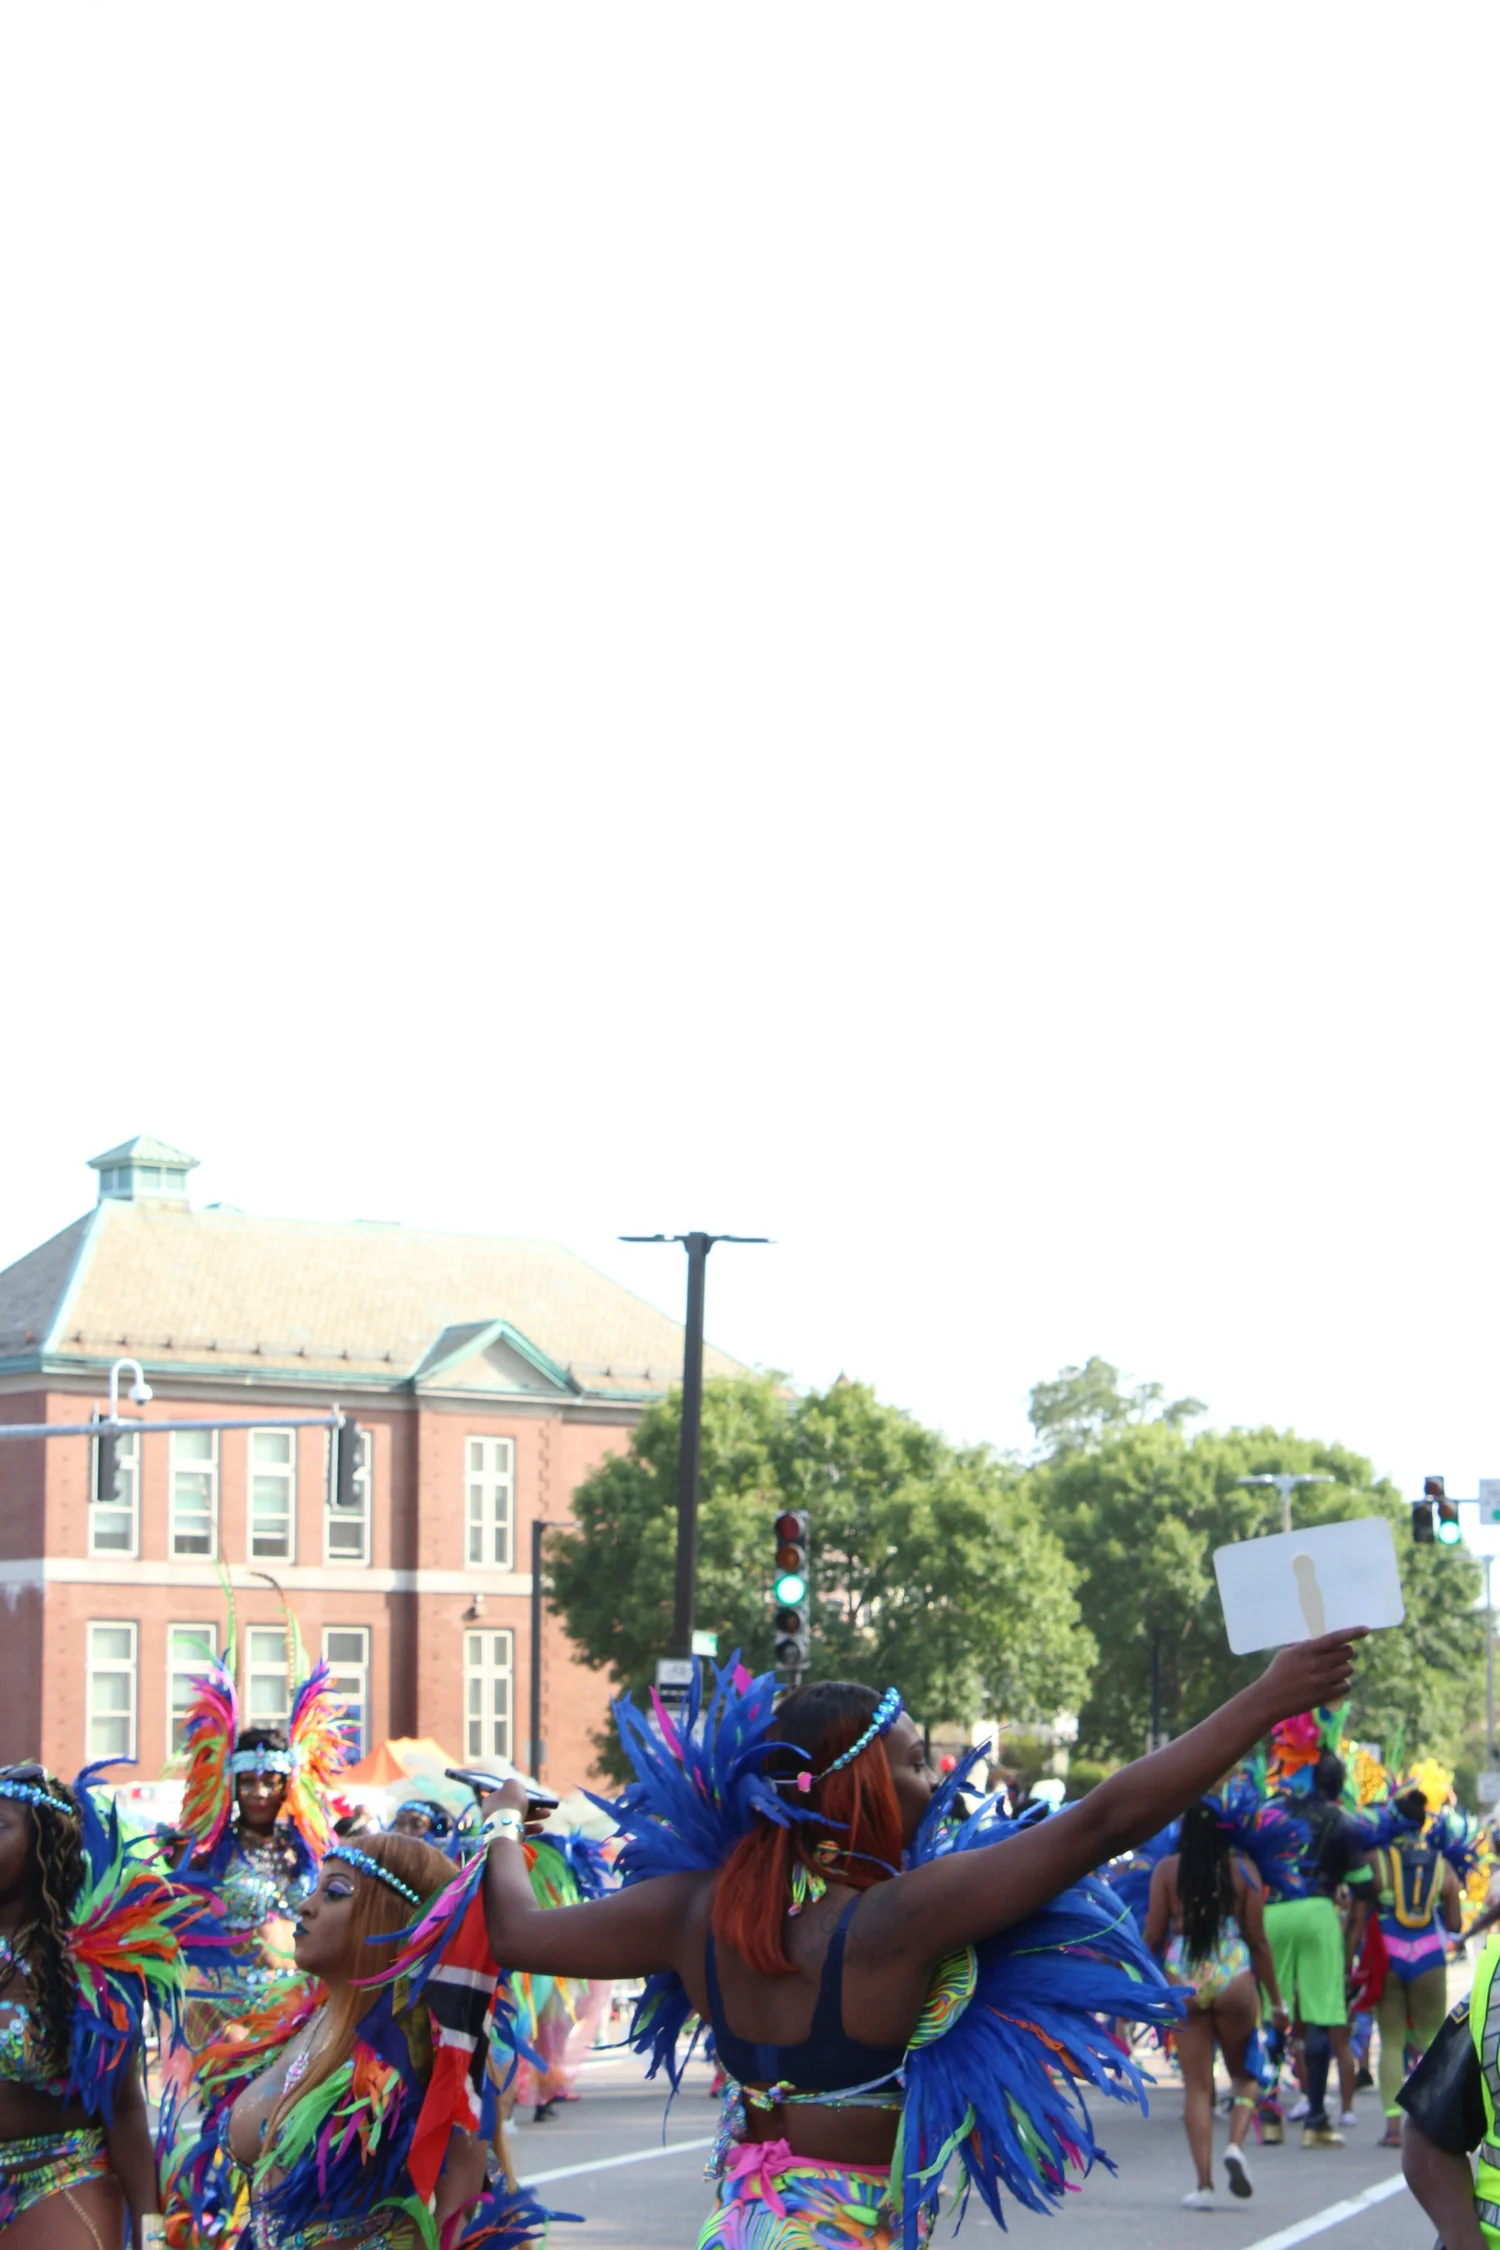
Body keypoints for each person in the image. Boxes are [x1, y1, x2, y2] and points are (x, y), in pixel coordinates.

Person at [479, 1630, 1362, 2248]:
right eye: (911, 1761)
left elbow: (515, 1931)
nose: (936, 1780)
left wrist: (505, 1821)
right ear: (855, 1784)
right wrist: (1267, 1697)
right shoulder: (894, 1921)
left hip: (740, 2229)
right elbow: (1103, 1822)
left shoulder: (690, 1910)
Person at [165, 1829, 553, 2250]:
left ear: (391, 1918)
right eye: (315, 1888)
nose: (305, 1905)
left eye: (334, 1892)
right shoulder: (300, 2025)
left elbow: (458, 2217)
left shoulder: (425, 2048)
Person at [0, 1760, 217, 2249]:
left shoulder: (87, 1956)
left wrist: (151, 2233)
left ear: (42, 1840)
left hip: (60, 2176)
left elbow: (124, 2104)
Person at [174, 1643, 352, 2033]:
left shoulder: (311, 1853)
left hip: (302, 2007)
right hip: (228, 2011)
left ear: (288, 1786)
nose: (258, 1793)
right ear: (231, 1787)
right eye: (248, 1783)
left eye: (270, 1782)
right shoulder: (209, 1852)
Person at [1143, 1799, 1289, 2209]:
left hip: (1183, 1974)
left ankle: (1204, 2186)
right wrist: (1277, 2001)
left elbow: (1153, 1935)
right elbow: (1257, 1941)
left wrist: (1136, 1988)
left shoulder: (1166, 1870)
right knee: (1245, 2075)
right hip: (1232, 1972)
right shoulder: (1244, 1870)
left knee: (1197, 2087)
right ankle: (1236, 2146)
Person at [1264, 1748, 1373, 2146]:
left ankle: (1268, 2115)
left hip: (1274, 1913)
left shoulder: (1276, 1812)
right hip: (1320, 1912)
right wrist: (1349, 1948)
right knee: (1320, 2015)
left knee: (1272, 2012)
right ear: (1340, 1785)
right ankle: (1315, 2120)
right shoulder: (1346, 1823)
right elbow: (1364, 1889)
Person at [1367, 1785, 1462, 2149]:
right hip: (1428, 1956)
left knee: (1390, 2041)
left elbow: (1361, 1906)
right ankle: (1438, 2120)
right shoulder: (1441, 1864)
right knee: (1433, 2040)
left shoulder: (1378, 1859)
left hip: (1388, 1955)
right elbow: (1453, 1922)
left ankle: (1393, 2128)